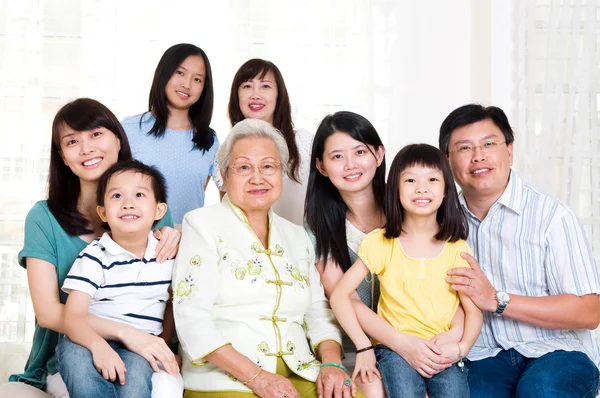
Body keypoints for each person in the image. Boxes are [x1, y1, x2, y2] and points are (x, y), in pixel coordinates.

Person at [2, 98, 180, 398]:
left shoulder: (152, 213)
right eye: (73, 141)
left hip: (144, 349)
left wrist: (180, 237)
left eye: (96, 134)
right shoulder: (44, 217)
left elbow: (171, 296)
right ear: (63, 157)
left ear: (117, 140)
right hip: (73, 351)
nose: (86, 148)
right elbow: (47, 312)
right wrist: (126, 333)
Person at [173, 118, 363, 398]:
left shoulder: (297, 236)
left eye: (268, 166)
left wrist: (332, 362)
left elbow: (318, 311)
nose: (257, 177)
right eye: (244, 167)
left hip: (299, 369)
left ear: (281, 173)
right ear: (224, 176)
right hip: (226, 379)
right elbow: (192, 319)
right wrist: (258, 378)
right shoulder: (201, 225)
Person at [439, 104, 600, 398]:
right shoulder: (440, 224)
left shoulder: (552, 216)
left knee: (540, 391)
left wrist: (497, 300)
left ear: (509, 151)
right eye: (464, 148)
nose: (478, 156)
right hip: (483, 356)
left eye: (489, 143)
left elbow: (589, 311)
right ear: (447, 160)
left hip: (558, 351)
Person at [331, 144, 483, 398]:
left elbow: (472, 311)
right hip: (395, 350)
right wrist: (362, 346)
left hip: (442, 349)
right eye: (410, 180)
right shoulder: (381, 242)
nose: (421, 188)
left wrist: (460, 348)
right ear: (396, 190)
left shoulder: (456, 247)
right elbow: (339, 296)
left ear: (446, 190)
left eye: (432, 179)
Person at [56, 160, 183, 397]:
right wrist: (98, 347)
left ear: (159, 210)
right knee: (78, 366)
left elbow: (171, 307)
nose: (128, 204)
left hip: (140, 345)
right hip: (86, 339)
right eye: (116, 196)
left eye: (139, 194)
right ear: (102, 212)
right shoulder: (95, 255)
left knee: (134, 384)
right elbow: (73, 317)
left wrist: (163, 346)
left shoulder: (168, 257)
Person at [304, 111, 386, 397]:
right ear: (322, 166)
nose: (351, 164)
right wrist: (396, 345)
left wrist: (410, 347)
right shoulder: (318, 225)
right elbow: (346, 298)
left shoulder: (408, 207)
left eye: (360, 151)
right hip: (353, 350)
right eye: (337, 156)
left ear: (379, 154)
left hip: (412, 341)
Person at [122, 43, 219, 225]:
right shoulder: (130, 129)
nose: (187, 84)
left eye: (197, 79)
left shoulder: (209, 140)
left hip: (188, 243)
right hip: (138, 243)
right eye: (180, 73)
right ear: (164, 73)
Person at [214, 58, 313, 225]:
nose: (255, 95)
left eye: (265, 86)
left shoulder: (304, 142)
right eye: (247, 86)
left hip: (303, 245)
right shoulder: (227, 151)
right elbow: (230, 216)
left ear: (279, 94)